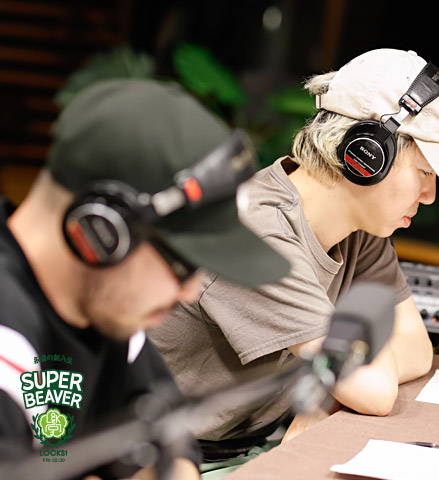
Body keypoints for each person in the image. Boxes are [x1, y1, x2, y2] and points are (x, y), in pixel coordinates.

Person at [149, 48, 439, 461]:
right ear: (368, 154)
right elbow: (375, 391)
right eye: (425, 172)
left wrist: (327, 397)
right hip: (167, 459)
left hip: (252, 443)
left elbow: (417, 346)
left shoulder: (360, 230)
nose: (430, 195)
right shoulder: (256, 232)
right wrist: (346, 381)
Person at [0, 79, 288, 479]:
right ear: (102, 231)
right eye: (183, 263)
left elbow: (169, 445)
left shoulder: (108, 312)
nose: (190, 291)